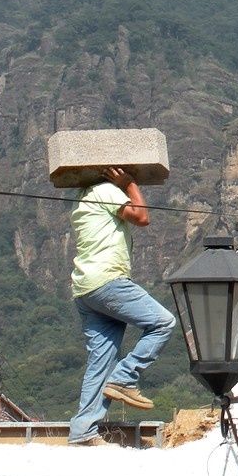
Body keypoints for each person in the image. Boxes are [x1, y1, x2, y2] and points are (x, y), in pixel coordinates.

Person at [68, 166, 176, 446]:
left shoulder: (82, 198)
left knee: (101, 359)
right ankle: (125, 378)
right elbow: (141, 217)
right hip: (107, 281)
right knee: (163, 322)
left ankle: (83, 431)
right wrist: (129, 184)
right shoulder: (105, 191)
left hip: (85, 290)